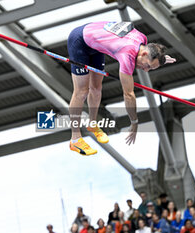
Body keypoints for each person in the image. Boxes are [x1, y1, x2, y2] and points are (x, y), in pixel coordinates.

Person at [67, 21, 176, 155]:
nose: (146, 70)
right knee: (81, 91)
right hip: (79, 41)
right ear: (143, 55)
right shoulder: (127, 56)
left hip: (95, 43)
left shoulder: (143, 40)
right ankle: (75, 139)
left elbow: (153, 51)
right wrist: (134, 122)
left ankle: (92, 123)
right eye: (147, 66)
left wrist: (162, 58)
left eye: (150, 68)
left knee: (96, 88)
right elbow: (129, 95)